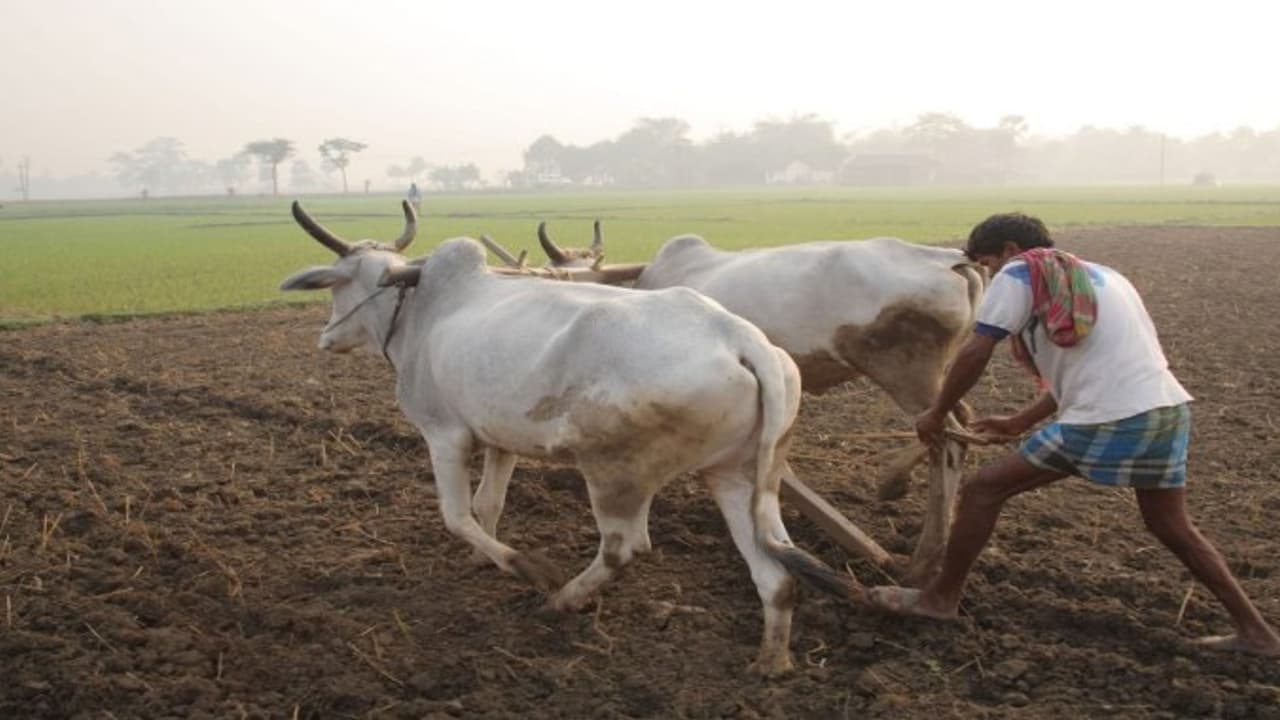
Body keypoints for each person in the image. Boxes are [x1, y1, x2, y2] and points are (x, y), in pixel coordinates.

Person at [865, 212, 1280, 657]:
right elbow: (1097, 367)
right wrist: (1021, 421)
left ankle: (938, 599)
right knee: (1171, 525)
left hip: (1109, 417)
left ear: (1008, 250)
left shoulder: (1022, 270)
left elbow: (976, 350)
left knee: (983, 489)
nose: (989, 275)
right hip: (1165, 409)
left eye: (987, 263)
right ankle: (1256, 632)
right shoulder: (1105, 277)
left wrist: (937, 411)